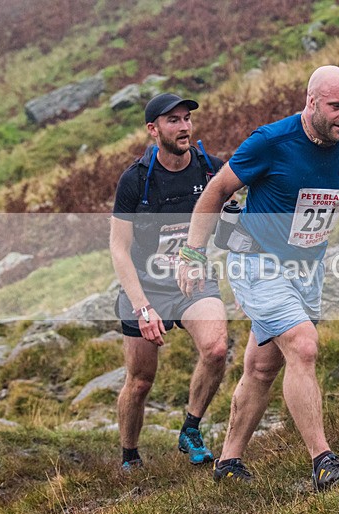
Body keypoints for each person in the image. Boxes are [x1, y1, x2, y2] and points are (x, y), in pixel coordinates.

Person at [177, 66, 339, 491]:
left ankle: (228, 461)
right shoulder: (271, 142)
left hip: (306, 269)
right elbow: (216, 191)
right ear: (312, 102)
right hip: (256, 262)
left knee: (262, 367)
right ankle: (324, 461)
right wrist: (192, 253)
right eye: (336, 106)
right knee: (303, 344)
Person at [109, 93, 228, 470]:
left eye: (186, 118)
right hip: (145, 287)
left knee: (217, 350)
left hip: (192, 282)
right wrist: (142, 307)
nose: (184, 126)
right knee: (141, 380)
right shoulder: (136, 180)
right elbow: (118, 249)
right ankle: (130, 454)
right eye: (173, 120)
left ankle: (190, 428)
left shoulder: (210, 168)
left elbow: (252, 188)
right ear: (152, 129)